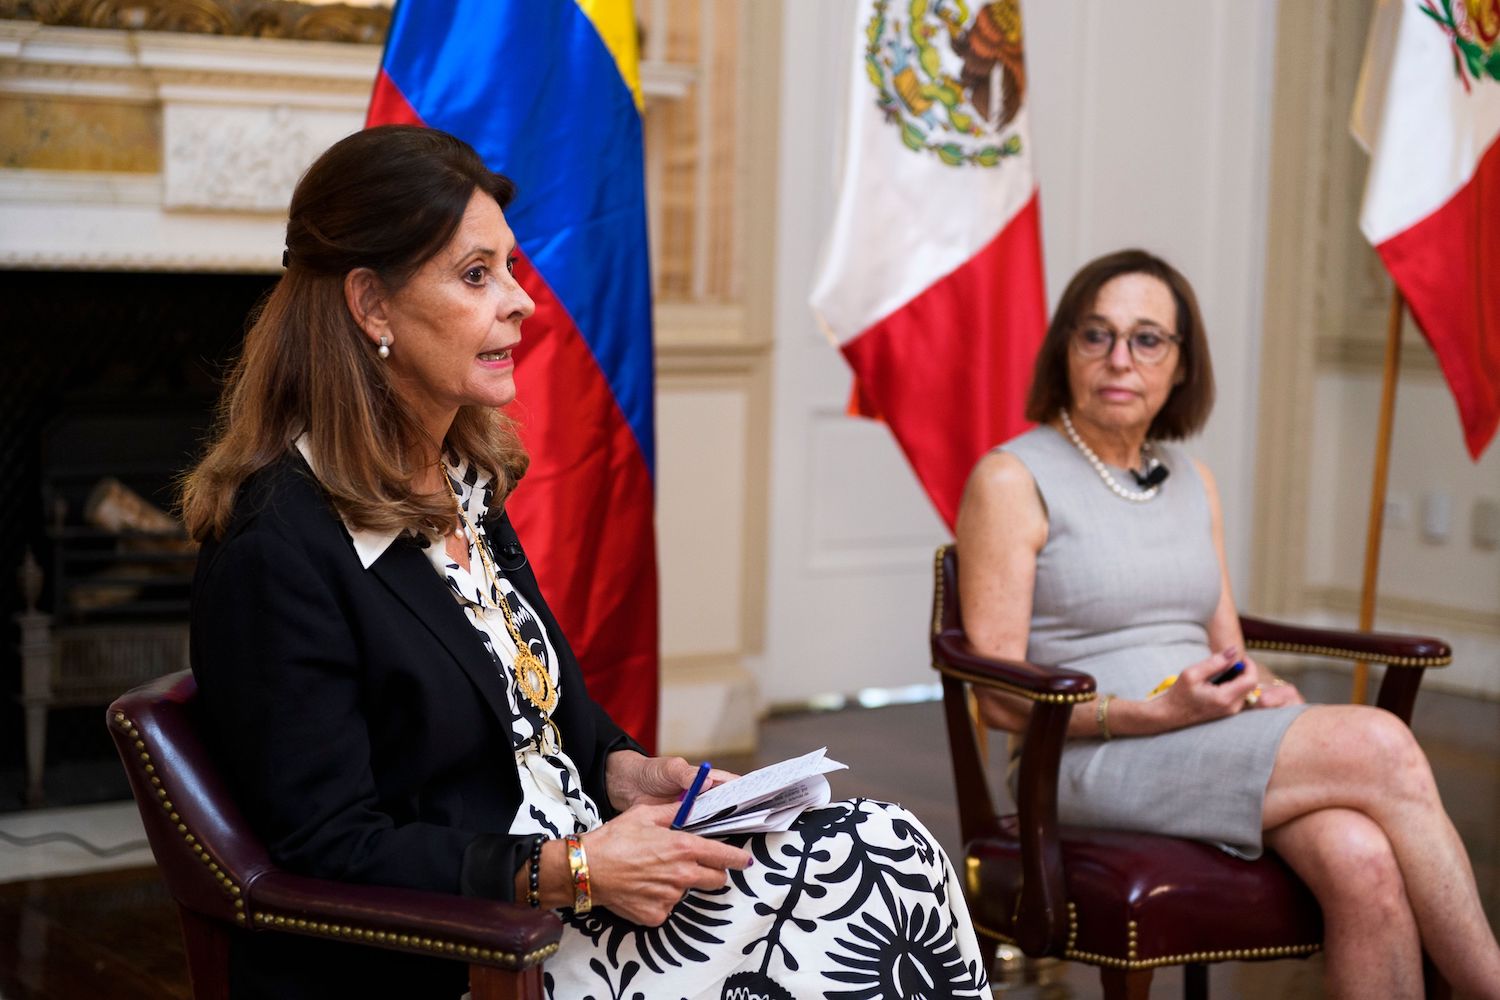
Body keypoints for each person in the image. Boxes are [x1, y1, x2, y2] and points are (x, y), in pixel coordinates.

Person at [179, 124, 989, 1000]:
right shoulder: (278, 546)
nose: (521, 302)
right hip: (485, 950)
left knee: (882, 843)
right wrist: (572, 869)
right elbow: (329, 845)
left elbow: (545, 717)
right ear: (371, 306)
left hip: (584, 891)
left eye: (510, 269)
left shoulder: (462, 484)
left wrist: (628, 772)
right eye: (476, 275)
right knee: (879, 876)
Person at [954, 247, 1500, 999]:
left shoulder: (1190, 480)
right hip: (1085, 761)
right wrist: (1155, 711)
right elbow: (1000, 697)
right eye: (1097, 335)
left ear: (1180, 366)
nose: (1121, 359)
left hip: (1205, 736)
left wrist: (1264, 689)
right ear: (1066, 349)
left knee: (1360, 855)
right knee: (1382, 742)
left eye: (1148, 339)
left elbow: (1226, 651)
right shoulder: (1013, 478)